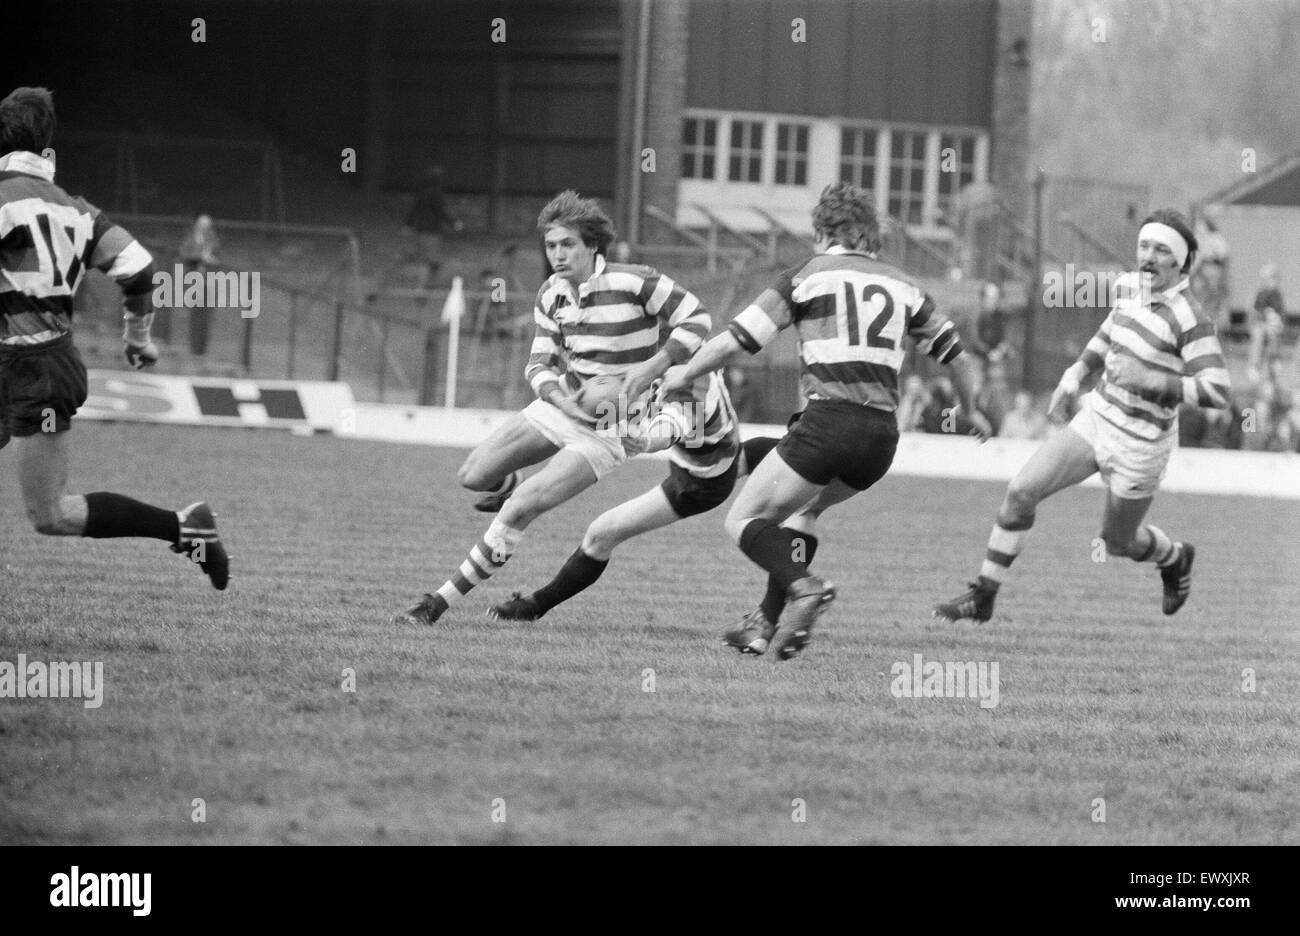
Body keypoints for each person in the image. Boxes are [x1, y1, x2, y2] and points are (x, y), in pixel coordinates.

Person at [660, 182, 990, 661]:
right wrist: (971, 410)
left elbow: (736, 341)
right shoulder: (906, 286)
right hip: (880, 441)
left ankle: (806, 588)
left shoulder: (807, 275)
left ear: (828, 232)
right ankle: (762, 626)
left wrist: (684, 371)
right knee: (804, 513)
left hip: (827, 425)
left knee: (744, 518)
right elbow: (957, 358)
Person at [392, 190, 709, 625]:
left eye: (567, 245)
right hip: (566, 404)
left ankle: (436, 603)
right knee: (473, 476)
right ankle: (508, 483)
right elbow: (538, 364)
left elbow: (698, 318)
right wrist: (562, 400)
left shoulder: (636, 281)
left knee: (519, 508)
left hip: (608, 427)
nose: (557, 254)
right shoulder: (551, 294)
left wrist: (649, 370)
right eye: (551, 245)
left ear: (592, 245)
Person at [934, 209, 1231, 624]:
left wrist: (1153, 379)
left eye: (1161, 249)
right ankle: (984, 594)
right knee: (1021, 490)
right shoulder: (1129, 287)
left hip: (1142, 445)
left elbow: (1217, 389)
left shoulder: (1190, 318)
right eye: (1144, 245)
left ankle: (1175, 557)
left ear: (1181, 262)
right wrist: (1073, 378)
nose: (1147, 256)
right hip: (1099, 416)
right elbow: (1109, 332)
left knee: (1117, 542)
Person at [0, 87, 228, 589]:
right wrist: (137, 337)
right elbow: (140, 267)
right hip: (40, 359)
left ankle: (185, 528)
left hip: (33, 368)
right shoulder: (77, 211)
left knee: (50, 515)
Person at [486, 372, 781, 622]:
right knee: (778, 458)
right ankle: (809, 455)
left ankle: (533, 608)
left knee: (600, 534)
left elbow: (669, 428)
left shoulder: (692, 385)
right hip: (727, 456)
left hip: (700, 484)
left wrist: (644, 440)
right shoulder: (679, 358)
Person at [404, 164, 462, 290]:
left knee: (432, 260)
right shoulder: (437, 194)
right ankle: (421, 288)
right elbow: (441, 211)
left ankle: (430, 284)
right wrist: (454, 223)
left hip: (421, 229)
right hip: (431, 231)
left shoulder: (421, 193)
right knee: (428, 261)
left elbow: (413, 210)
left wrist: (408, 224)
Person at [177, 213, 218, 355]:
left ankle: (202, 349)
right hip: (193, 281)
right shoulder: (190, 238)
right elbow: (184, 254)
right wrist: (199, 256)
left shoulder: (212, 239)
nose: (205, 228)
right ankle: (194, 347)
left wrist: (211, 259)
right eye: (202, 225)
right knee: (195, 314)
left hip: (208, 282)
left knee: (206, 316)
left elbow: (217, 256)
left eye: (207, 226)